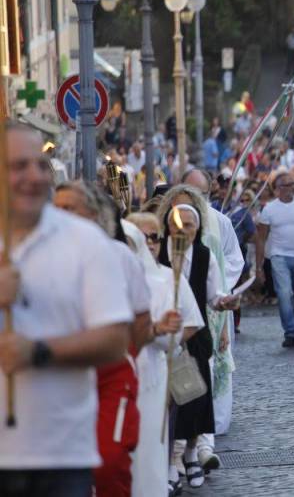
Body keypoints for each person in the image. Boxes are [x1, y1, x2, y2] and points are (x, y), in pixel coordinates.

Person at [0, 125, 133, 496]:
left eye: (41, 165)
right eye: (18, 166)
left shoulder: (85, 240)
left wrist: (40, 351)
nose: (34, 176)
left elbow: (113, 339)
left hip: (61, 452)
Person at [53, 181, 154, 497]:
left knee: (108, 463)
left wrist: (125, 359)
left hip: (110, 373)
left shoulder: (120, 256)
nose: (59, 216)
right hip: (57, 373)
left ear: (94, 216)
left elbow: (141, 318)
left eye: (68, 208)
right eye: (55, 209)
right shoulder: (36, 254)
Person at [157, 190, 238, 489]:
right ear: (168, 227)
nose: (183, 232)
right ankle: (169, 459)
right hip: (165, 333)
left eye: (189, 226)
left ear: (197, 228)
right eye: (177, 226)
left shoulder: (204, 255)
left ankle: (192, 453)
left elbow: (214, 295)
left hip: (196, 335)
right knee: (169, 399)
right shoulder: (159, 253)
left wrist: (225, 302)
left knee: (194, 397)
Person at [124, 214, 203, 497]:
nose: (149, 243)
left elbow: (191, 322)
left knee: (151, 451)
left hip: (155, 375)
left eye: (154, 237)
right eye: (140, 237)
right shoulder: (109, 277)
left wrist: (169, 338)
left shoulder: (169, 278)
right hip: (118, 375)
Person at [181, 169, 244, 461]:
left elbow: (234, 258)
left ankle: (215, 423)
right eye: (190, 193)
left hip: (214, 303)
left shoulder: (221, 222)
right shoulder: (174, 222)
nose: (196, 200)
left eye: (202, 194)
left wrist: (218, 286)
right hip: (182, 307)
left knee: (215, 362)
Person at [256, 172, 294, 347]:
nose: (289, 188)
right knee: (284, 294)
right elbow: (261, 238)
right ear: (277, 189)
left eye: (292, 185)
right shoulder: (269, 209)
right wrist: (259, 266)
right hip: (279, 255)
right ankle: (290, 331)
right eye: (285, 185)